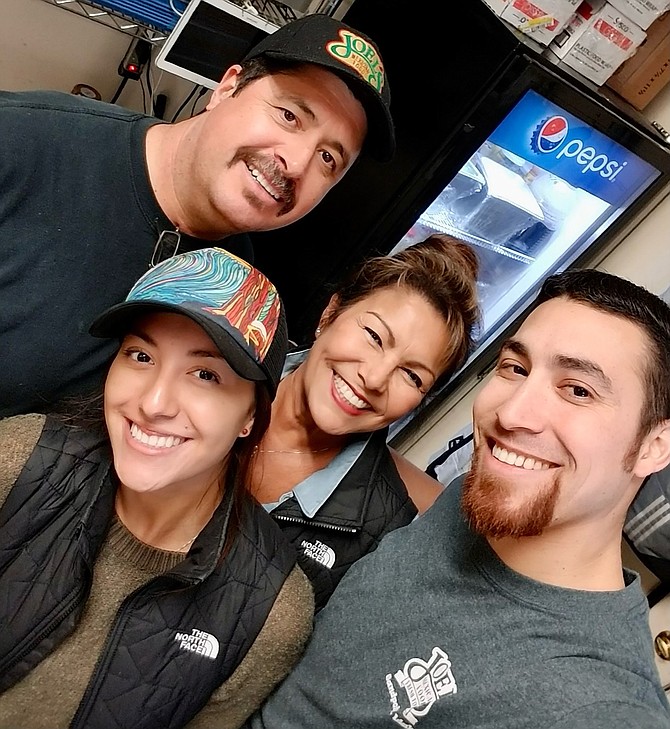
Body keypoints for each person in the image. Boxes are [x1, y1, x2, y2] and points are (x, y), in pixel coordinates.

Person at [248, 268, 670, 729]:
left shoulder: (598, 706)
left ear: (655, 446)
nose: (511, 414)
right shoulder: (475, 502)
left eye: (578, 391)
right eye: (516, 368)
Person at [0, 13, 394, 418]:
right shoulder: (23, 142)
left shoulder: (232, 283)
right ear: (226, 88)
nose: (295, 163)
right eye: (289, 115)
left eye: (328, 158)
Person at [0, 248, 314, 729]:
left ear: (251, 414)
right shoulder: (19, 458)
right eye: (141, 355)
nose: (154, 402)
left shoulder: (269, 612)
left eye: (205, 374)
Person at [251, 234, 480, 610]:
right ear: (331, 313)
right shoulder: (222, 372)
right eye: (374, 337)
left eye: (412, 376)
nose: (374, 379)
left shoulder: (388, 534)